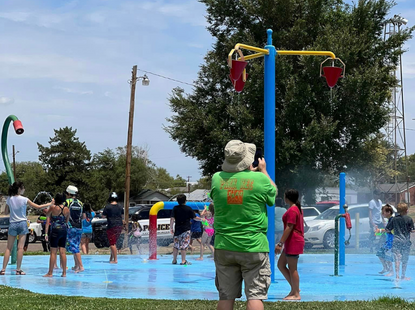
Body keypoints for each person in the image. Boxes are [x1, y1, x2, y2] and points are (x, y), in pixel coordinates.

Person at [210, 140, 277, 310]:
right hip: (253, 246)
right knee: (255, 296)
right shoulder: (260, 179)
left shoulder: (217, 178)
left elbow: (234, 188)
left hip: (224, 245)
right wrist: (262, 171)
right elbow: (273, 194)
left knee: (226, 296)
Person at [0, 182, 54, 275]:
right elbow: (38, 207)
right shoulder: (24, 199)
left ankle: (3, 269)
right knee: (20, 248)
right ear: (19, 189)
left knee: (9, 248)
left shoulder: (9, 199)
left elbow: (6, 211)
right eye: (23, 188)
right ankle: (18, 269)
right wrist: (50, 203)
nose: (24, 189)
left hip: (12, 223)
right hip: (22, 223)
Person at [275, 189, 304, 301]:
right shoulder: (296, 208)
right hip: (291, 241)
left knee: (293, 268)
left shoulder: (293, 210)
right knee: (281, 265)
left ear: (287, 198)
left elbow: (290, 227)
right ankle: (294, 288)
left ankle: (296, 294)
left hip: (294, 241)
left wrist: (280, 243)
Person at [385, 202, 414, 281]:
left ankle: (397, 276)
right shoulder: (409, 219)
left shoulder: (394, 219)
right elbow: (412, 230)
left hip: (396, 240)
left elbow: (387, 229)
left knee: (397, 258)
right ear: (405, 210)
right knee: (404, 259)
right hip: (406, 241)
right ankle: (403, 276)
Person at [43, 193, 70, 277]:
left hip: (55, 230)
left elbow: (47, 216)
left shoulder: (53, 208)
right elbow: (67, 220)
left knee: (53, 252)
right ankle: (64, 273)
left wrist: (46, 233)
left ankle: (50, 272)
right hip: (64, 229)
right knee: (62, 251)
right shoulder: (67, 209)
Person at [64, 185, 86, 273]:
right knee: (76, 246)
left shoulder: (67, 202)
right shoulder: (81, 203)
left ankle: (81, 266)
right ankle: (76, 265)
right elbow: (84, 216)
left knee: (74, 247)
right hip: (80, 227)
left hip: (70, 226)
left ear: (69, 193)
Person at [170, 194, 195, 265]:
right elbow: (194, 218)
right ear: (185, 200)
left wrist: (171, 228)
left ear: (177, 201)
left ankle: (174, 260)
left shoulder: (175, 208)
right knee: (184, 245)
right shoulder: (188, 208)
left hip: (177, 229)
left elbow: (172, 218)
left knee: (176, 245)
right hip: (186, 229)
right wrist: (202, 220)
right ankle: (183, 260)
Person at [102, 192, 124, 264]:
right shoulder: (120, 207)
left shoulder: (108, 207)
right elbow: (122, 216)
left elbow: (103, 216)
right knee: (114, 242)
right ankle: (111, 257)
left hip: (111, 225)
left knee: (112, 243)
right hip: (119, 226)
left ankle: (115, 260)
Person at [377, 204, 394, 276]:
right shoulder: (389, 220)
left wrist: (380, 231)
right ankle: (385, 268)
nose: (382, 214)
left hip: (391, 241)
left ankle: (391, 271)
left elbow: (389, 230)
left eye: (383, 212)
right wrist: (378, 233)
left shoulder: (392, 220)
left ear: (388, 212)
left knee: (388, 256)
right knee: (380, 253)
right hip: (388, 241)